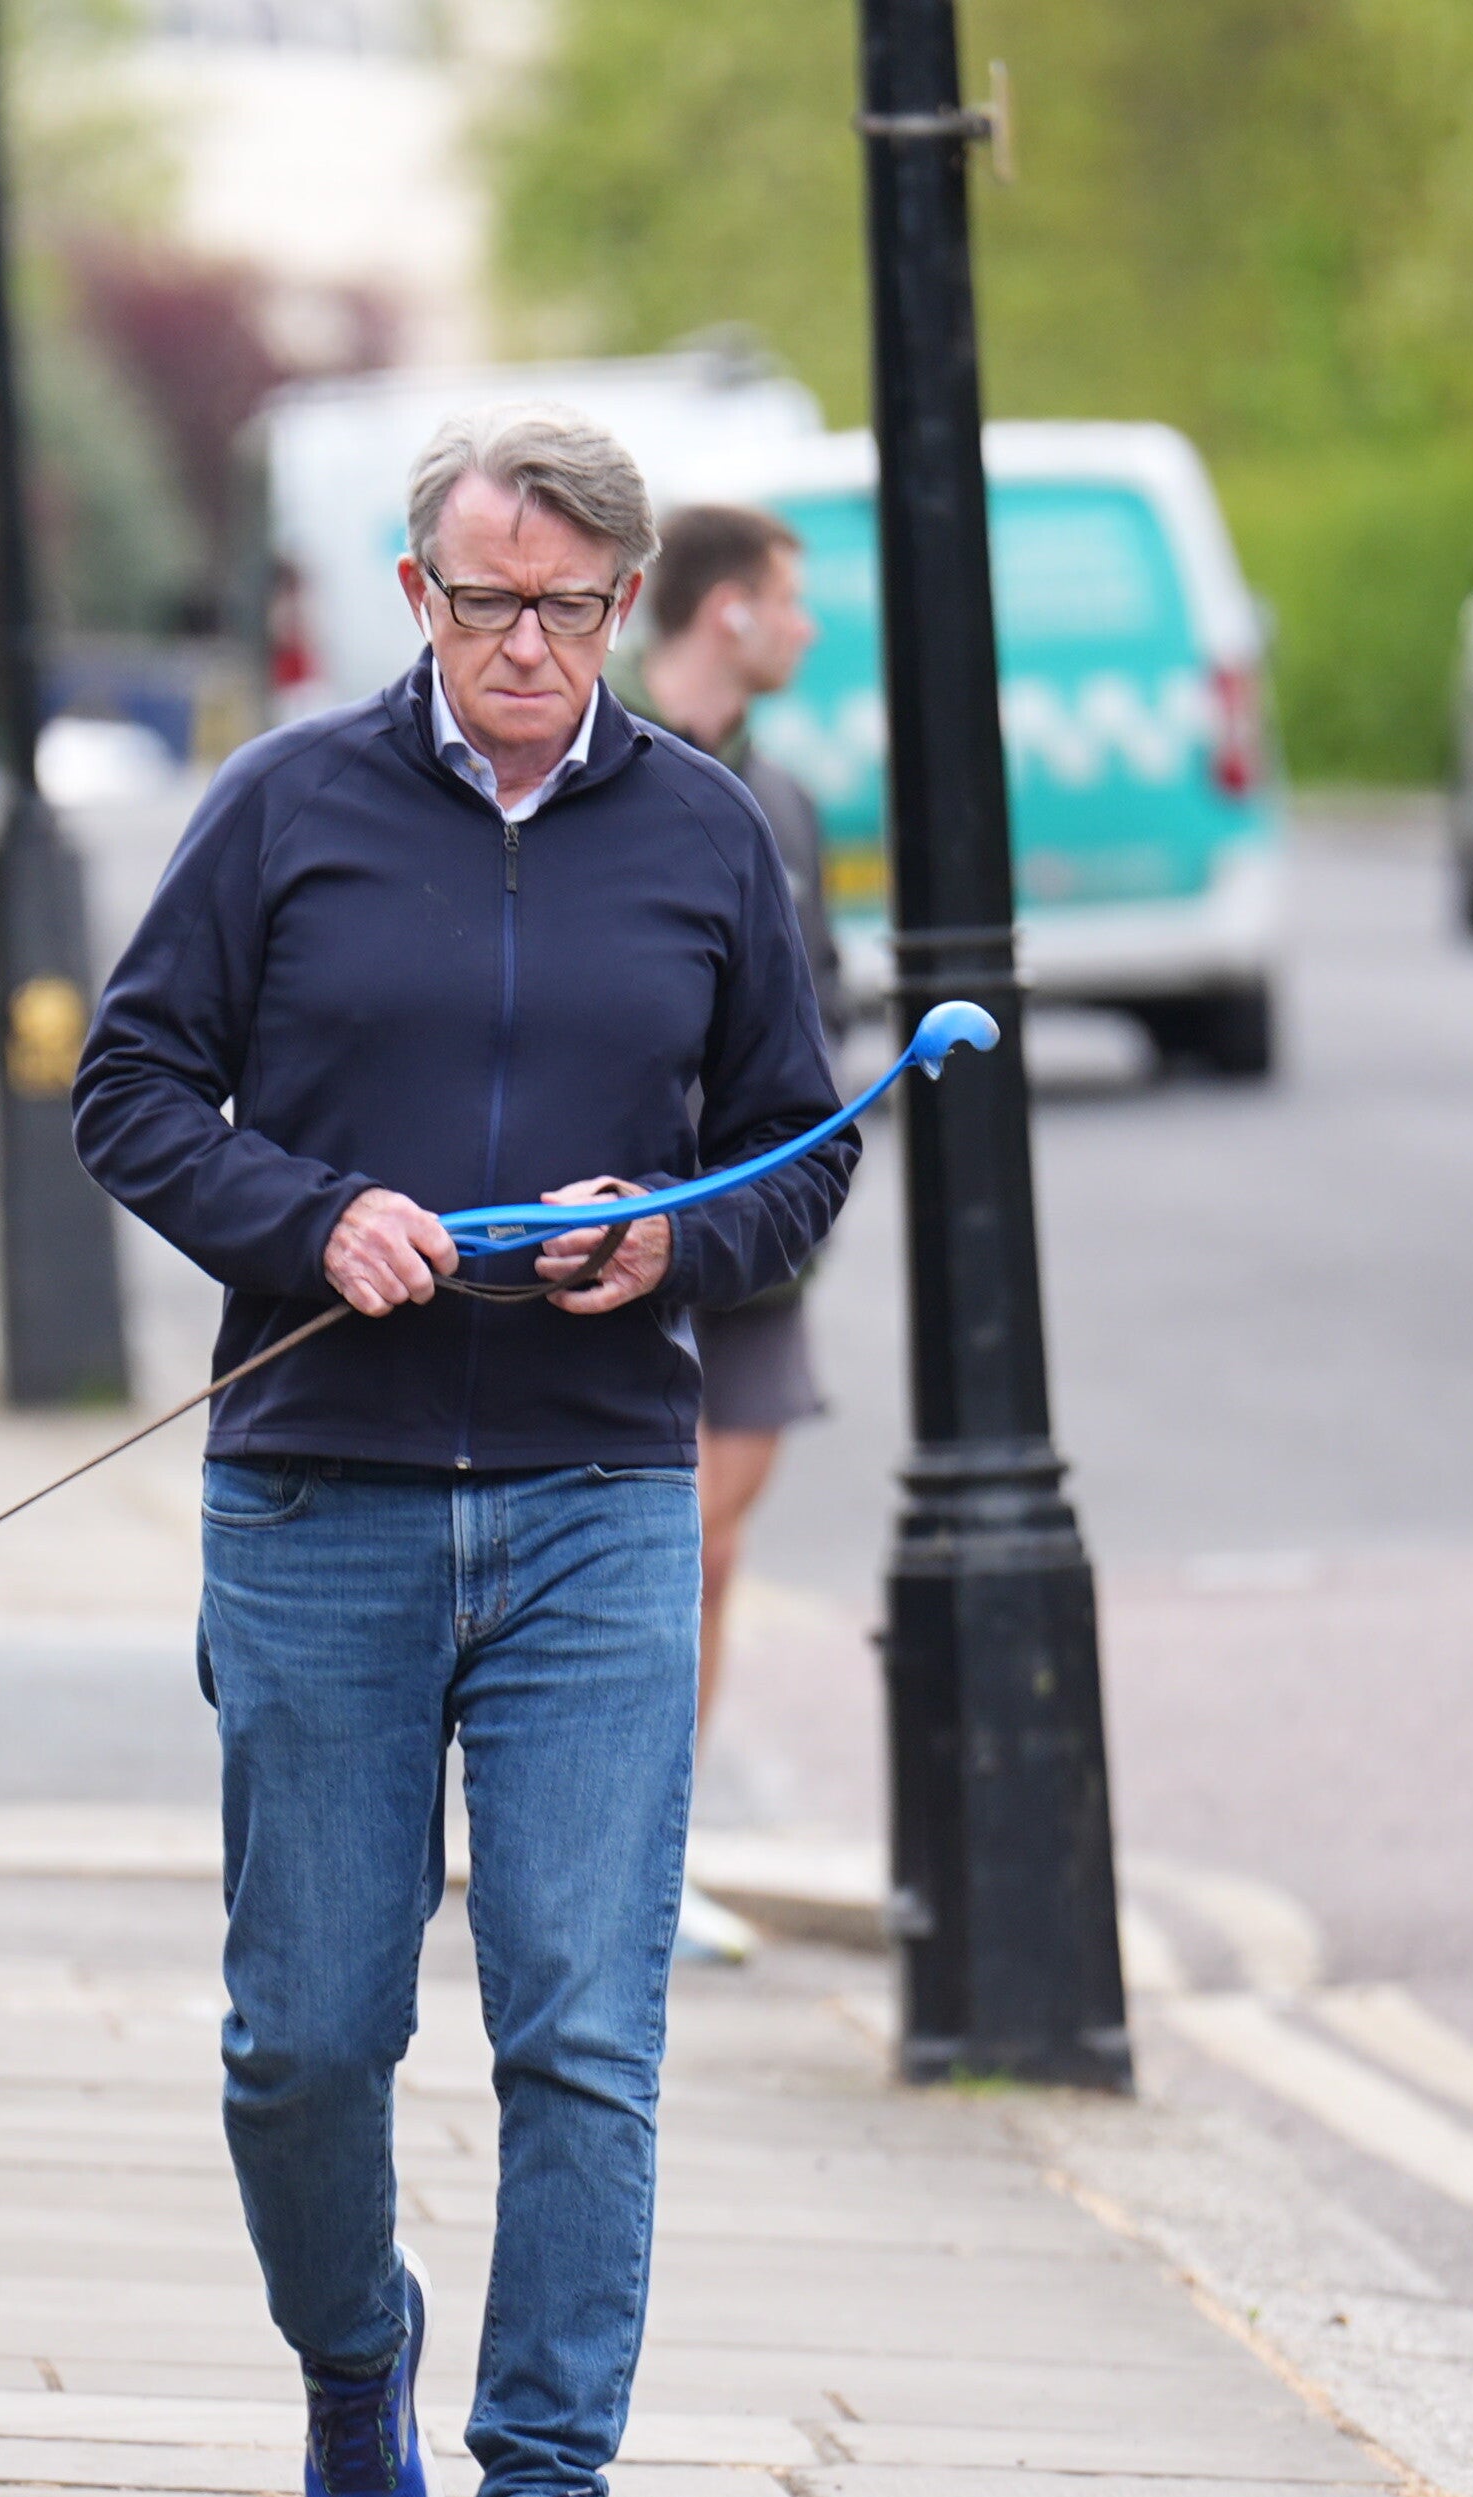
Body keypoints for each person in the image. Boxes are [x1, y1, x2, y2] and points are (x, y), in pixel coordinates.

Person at [72, 408, 852, 2497]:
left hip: (600, 1499)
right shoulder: (282, 809)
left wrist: (670, 1240)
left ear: (626, 606)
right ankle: (353, 2356)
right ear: (416, 595)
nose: (527, 644)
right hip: (320, 1490)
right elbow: (129, 1089)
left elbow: (797, 1148)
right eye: (488, 601)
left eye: (570, 609)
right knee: (306, 2038)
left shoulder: (704, 832)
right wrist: (312, 1219)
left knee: (580, 2031)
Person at [634, 501, 845, 1965]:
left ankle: (656, 1852)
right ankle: (595, 1841)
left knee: (707, 1551)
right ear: (726, 612)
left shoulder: (785, 801)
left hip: (754, 1232)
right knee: (650, 1547)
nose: (806, 628)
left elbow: (815, 1017)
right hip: (625, 1227)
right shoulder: (605, 772)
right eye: (790, 600)